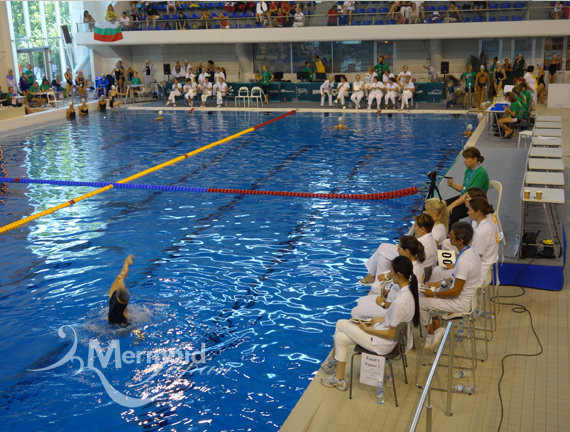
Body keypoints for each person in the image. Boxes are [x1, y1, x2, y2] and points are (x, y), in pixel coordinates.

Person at [320, 255, 420, 391]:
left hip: (381, 343)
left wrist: (367, 330)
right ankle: (339, 379)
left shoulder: (400, 302)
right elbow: (392, 318)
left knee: (340, 323)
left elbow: (391, 333)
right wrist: (374, 321)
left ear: (399, 274)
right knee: (340, 338)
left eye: (392, 271)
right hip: (383, 337)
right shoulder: (408, 294)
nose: (390, 275)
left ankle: (333, 362)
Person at [420, 222, 481, 350]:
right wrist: (437, 284)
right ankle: (436, 328)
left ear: (460, 240)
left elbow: (456, 291)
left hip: (459, 303)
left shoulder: (464, 260)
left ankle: (434, 331)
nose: (448, 237)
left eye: (451, 236)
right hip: (466, 297)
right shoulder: (470, 253)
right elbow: (456, 278)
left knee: (419, 302)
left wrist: (435, 294)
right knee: (427, 291)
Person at [351, 237, 425, 320]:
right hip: (390, 299)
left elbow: (402, 303)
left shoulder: (410, 271)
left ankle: (372, 328)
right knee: (361, 301)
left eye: (399, 248)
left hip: (390, 308)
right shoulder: (414, 265)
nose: (397, 251)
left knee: (355, 312)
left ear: (407, 251)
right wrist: (389, 292)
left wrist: (383, 303)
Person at [445, 147, 489, 227]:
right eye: (464, 158)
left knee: (451, 213)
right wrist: (452, 184)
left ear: (475, 159)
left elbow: (469, 194)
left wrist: (452, 205)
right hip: (466, 198)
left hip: (475, 202)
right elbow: (464, 189)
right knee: (443, 205)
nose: (464, 160)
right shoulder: (468, 170)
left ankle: (453, 236)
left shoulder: (481, 173)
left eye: (467, 158)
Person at [466, 197, 499, 279]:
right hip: (485, 259)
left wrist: (457, 263)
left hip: (481, 269)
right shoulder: (488, 219)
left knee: (447, 273)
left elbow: (476, 256)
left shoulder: (482, 231)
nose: (467, 212)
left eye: (470, 210)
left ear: (478, 212)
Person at [108, 255, 135, 326]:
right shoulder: (125, 317)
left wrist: (127, 261)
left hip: (110, 320)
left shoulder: (112, 291)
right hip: (120, 326)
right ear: (127, 301)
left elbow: (122, 274)